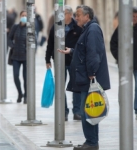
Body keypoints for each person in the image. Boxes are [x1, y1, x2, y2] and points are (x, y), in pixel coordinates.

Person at [59, 5, 110, 150]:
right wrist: (72, 51)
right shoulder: (89, 29)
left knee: (87, 111)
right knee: (90, 110)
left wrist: (91, 74)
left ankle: (91, 142)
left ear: (87, 16)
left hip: (88, 79)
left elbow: (93, 54)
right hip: (86, 77)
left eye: (79, 15)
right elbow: (85, 51)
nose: (76, 17)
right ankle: (92, 142)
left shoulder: (92, 29)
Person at [45, 5, 82, 121]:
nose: (61, 16)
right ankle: (63, 111)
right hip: (59, 60)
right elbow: (50, 43)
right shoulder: (56, 27)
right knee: (60, 86)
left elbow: (81, 46)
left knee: (76, 86)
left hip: (73, 61)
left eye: (64, 13)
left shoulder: (78, 28)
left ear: (70, 15)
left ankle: (77, 111)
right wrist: (47, 59)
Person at [110, 7, 137, 120]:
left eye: (136, 16)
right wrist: (119, 58)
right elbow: (113, 44)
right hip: (125, 64)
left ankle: (136, 109)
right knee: (124, 86)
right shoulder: (121, 28)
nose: (134, 18)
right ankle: (124, 108)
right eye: (132, 16)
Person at [8, 10, 27, 104]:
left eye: (26, 15)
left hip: (26, 57)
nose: (24, 17)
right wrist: (12, 45)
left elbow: (34, 41)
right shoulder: (15, 27)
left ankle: (26, 95)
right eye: (23, 15)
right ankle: (20, 93)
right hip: (15, 56)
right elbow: (9, 38)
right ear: (20, 16)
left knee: (26, 77)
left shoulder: (29, 28)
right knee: (16, 76)